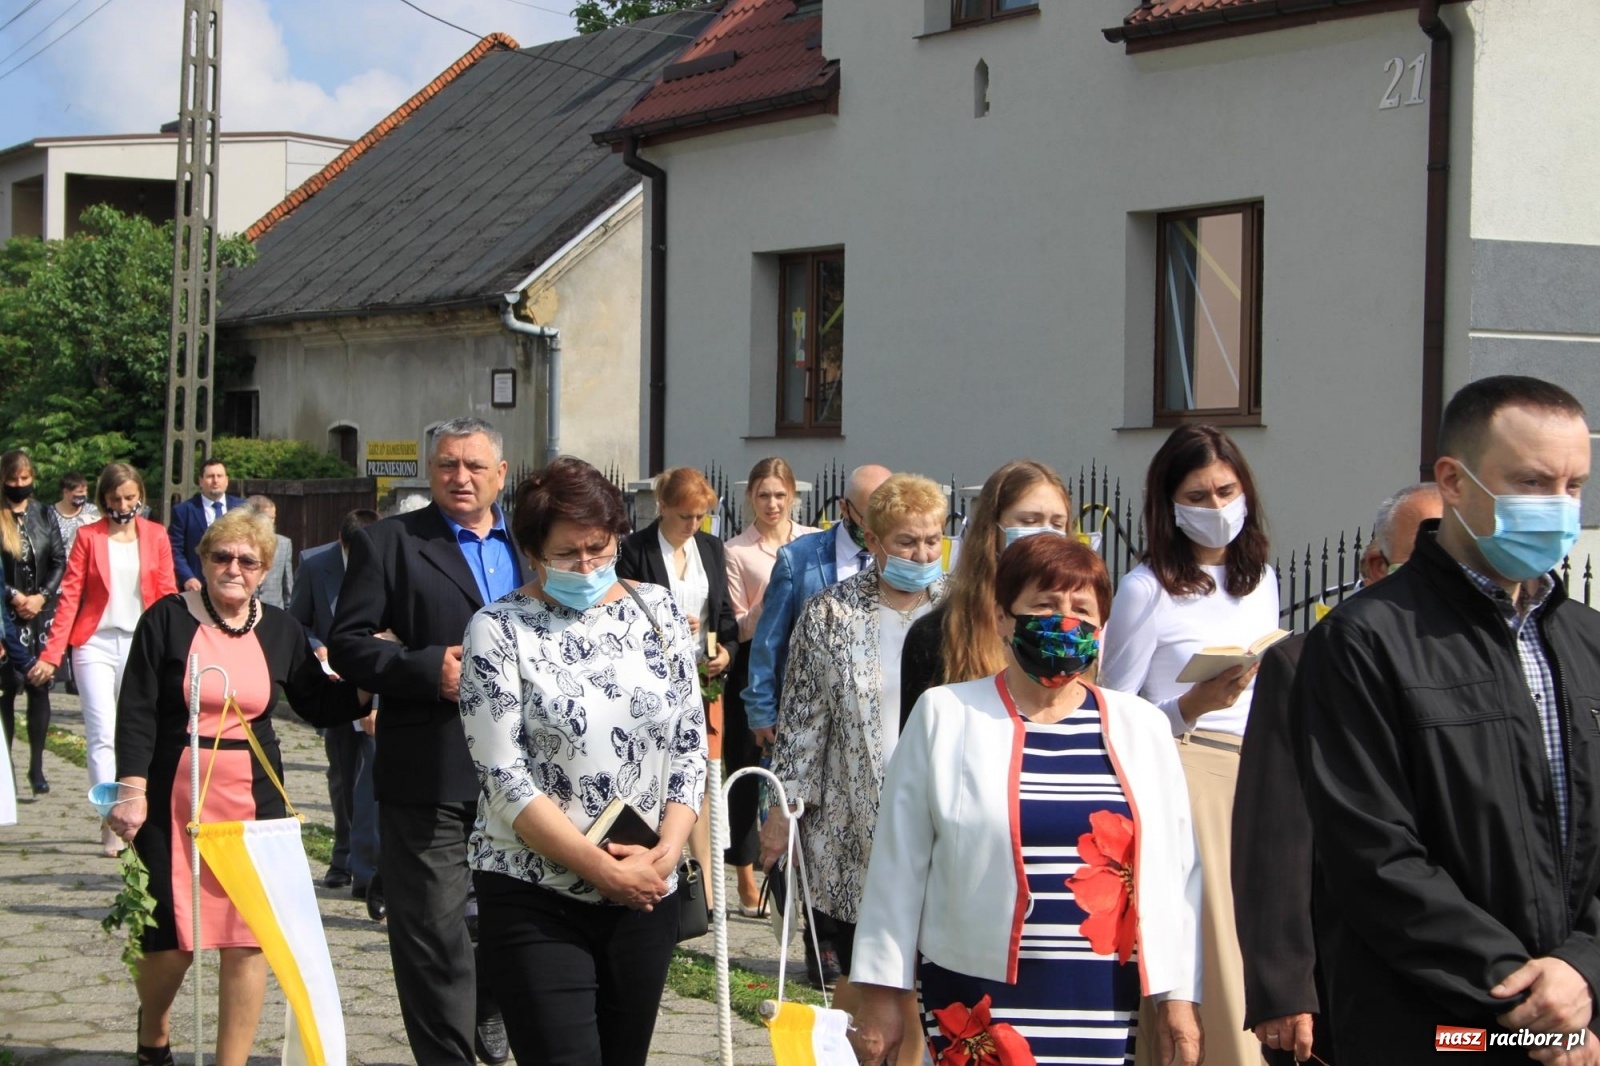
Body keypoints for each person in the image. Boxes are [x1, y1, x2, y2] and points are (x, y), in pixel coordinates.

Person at [1295, 376, 1600, 1063]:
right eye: (1530, 482)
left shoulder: (1589, 644)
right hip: (1436, 1030)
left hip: (1577, 1024)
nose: (1558, 508)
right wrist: (1528, 1001)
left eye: (1573, 485)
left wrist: (1582, 971)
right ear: (1454, 482)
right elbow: (1373, 858)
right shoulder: (1364, 642)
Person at [850, 534, 1202, 1066]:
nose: (1065, 621)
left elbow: (1178, 872)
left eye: (1082, 609)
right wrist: (880, 995)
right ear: (1002, 618)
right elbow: (897, 867)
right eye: (1044, 605)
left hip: (1101, 995)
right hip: (978, 995)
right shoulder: (946, 715)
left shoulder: (1143, 728)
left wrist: (1179, 995)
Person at [459, 457, 706, 1066]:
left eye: (600, 548)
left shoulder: (658, 612)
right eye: (569, 556)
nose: (590, 566)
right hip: (534, 888)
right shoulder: (499, 629)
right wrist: (598, 867)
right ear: (535, 553)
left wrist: (668, 851)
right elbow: (505, 779)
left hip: (645, 888)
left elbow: (688, 746)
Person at [105, 508, 366, 1066]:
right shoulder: (166, 619)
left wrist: (372, 685)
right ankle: (153, 1034)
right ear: (202, 560)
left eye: (248, 561)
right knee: (173, 941)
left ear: (265, 570)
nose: (233, 568)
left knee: (248, 940)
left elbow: (317, 701)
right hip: (175, 790)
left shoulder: (280, 628)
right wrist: (130, 786)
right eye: (222, 556)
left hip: (254, 795)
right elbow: (137, 709)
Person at [1231, 481, 1441, 1065]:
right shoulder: (1304, 665)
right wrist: (1281, 985)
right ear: (1376, 564)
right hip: (1343, 980)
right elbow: (1274, 834)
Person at [329, 417, 515, 1066]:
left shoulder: (535, 548)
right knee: (434, 940)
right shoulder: (392, 543)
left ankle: (488, 1020)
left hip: (524, 781)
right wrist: (423, 668)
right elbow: (348, 646)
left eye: (472, 466)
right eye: (445, 465)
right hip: (430, 772)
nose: (458, 477)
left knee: (508, 930)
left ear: (501, 474)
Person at [1097, 423, 1276, 1066]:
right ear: (1169, 504)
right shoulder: (1147, 589)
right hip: (1188, 770)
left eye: (1226, 490)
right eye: (1197, 496)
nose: (1216, 508)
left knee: (1256, 941)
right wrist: (1188, 706)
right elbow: (1112, 712)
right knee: (1207, 953)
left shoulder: (1261, 578)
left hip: (1257, 769)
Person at [760, 472, 948, 1058]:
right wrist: (782, 812)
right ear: (872, 540)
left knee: (923, 973)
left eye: (931, 540)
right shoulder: (829, 615)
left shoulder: (961, 610)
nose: (920, 554)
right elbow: (802, 726)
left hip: (939, 817)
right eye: (905, 541)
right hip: (847, 825)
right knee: (860, 976)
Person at [28, 464, 177, 855]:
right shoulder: (88, 537)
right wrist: (51, 653)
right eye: (115, 500)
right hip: (93, 644)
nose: (123, 506)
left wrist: (178, 646)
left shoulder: (156, 535)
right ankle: (110, 820)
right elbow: (70, 596)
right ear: (103, 500)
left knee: (139, 732)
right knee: (100, 734)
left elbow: (166, 594)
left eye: (130, 498)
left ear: (141, 496)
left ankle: (138, 810)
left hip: (140, 644)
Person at [617, 467, 737, 912]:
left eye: (702, 516)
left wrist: (722, 650)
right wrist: (662, 624)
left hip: (703, 681)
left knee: (703, 777)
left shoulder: (710, 547)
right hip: (651, 681)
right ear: (662, 507)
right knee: (662, 776)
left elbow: (720, 613)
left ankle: (706, 889)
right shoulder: (634, 549)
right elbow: (619, 613)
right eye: (686, 515)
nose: (694, 525)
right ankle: (661, 873)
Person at [900, 459, 1072, 725]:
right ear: (993, 529)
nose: (1045, 535)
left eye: (1057, 523)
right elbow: (916, 753)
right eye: (1029, 520)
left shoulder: (1076, 630)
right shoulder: (936, 634)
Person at [722, 457, 818, 914]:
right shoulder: (738, 550)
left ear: (793, 497)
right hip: (755, 672)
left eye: (780, 495)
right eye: (763, 495)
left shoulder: (812, 544)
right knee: (748, 774)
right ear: (750, 499)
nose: (772, 503)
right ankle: (744, 872)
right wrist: (770, 601)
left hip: (802, 669)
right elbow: (737, 626)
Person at [288, 508, 380, 906]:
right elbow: (298, 624)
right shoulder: (315, 565)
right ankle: (341, 857)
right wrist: (316, 648)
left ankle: (370, 866)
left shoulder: (387, 562)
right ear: (342, 545)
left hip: (377, 687)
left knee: (375, 777)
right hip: (334, 686)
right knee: (343, 774)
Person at [0, 449, 66, 796]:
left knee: (40, 688)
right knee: (6, 691)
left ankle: (37, 767)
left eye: (25, 479)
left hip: (40, 614)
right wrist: (14, 596)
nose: (20, 485)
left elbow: (59, 559)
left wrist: (42, 595)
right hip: (6, 612)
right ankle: (5, 766)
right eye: (13, 480)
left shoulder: (43, 513)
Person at [168, 458, 244, 592]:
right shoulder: (183, 511)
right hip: (197, 586)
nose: (215, 480)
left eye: (219, 476)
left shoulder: (242, 508)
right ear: (201, 481)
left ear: (226, 480)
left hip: (234, 583)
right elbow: (174, 549)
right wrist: (187, 577)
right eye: (210, 476)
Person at [244, 495, 294, 610]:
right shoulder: (240, 545)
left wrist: (288, 612)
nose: (272, 522)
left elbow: (288, 584)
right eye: (268, 518)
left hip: (274, 610)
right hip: (244, 610)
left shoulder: (284, 544)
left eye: (273, 518)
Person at [52, 471, 101, 553]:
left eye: (86, 491)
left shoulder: (92, 511)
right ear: (66, 492)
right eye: (80, 492)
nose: (84, 494)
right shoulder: (50, 514)